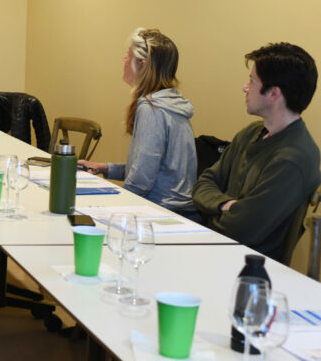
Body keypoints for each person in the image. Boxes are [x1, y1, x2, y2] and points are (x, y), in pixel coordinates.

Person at [193, 42, 321, 259]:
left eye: (252, 81)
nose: (245, 87)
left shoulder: (294, 157)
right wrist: (225, 204)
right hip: (215, 249)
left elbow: (242, 230)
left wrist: (210, 211)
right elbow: (202, 183)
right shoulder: (252, 132)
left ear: (273, 93)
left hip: (246, 268)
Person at [79, 28, 198, 216]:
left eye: (128, 56)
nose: (124, 60)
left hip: (160, 212)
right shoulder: (170, 103)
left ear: (142, 66)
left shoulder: (151, 108)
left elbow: (142, 181)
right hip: (181, 212)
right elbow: (151, 168)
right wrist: (105, 168)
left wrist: (110, 211)